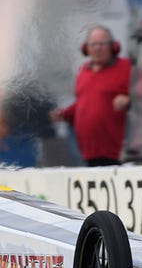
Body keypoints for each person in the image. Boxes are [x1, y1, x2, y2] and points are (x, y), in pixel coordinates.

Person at [50, 25, 131, 166]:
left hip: (117, 153)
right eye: (93, 44)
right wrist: (64, 114)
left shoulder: (126, 68)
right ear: (86, 48)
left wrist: (128, 101)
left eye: (102, 44)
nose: (97, 48)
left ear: (112, 46)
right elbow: (84, 103)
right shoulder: (83, 71)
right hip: (87, 152)